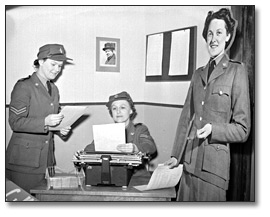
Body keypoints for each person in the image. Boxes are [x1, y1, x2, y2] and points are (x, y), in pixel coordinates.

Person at [164, 8, 251, 201]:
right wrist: (175, 155)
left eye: (219, 33)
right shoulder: (198, 74)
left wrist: (214, 129)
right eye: (210, 33)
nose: (213, 39)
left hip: (214, 172)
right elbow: (186, 118)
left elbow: (243, 129)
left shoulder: (237, 72)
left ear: (228, 36)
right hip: (189, 163)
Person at [6, 44, 73, 193]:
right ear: (41, 61)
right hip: (24, 162)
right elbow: (15, 122)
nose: (57, 69)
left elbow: (51, 120)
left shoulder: (54, 89)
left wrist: (60, 128)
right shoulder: (24, 86)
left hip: (46, 159)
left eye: (60, 66)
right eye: (53, 64)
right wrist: (45, 122)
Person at [83, 91, 157, 170]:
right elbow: (89, 149)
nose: (118, 111)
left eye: (122, 107)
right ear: (111, 113)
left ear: (131, 111)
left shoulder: (140, 129)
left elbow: (150, 146)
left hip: (136, 175)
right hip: (112, 174)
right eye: (114, 108)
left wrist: (135, 148)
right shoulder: (106, 131)